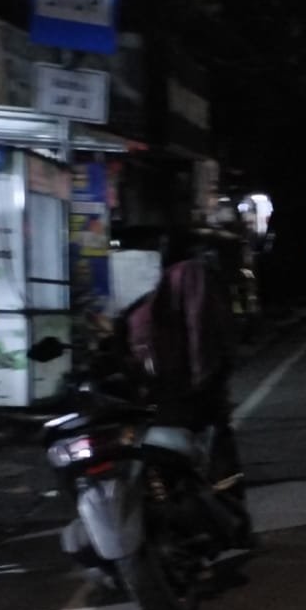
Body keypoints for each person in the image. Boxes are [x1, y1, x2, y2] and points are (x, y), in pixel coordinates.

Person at [126, 229, 251, 544]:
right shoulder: (191, 274)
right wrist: (206, 375)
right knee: (214, 450)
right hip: (186, 383)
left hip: (151, 384)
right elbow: (201, 328)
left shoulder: (141, 281)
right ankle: (230, 524)